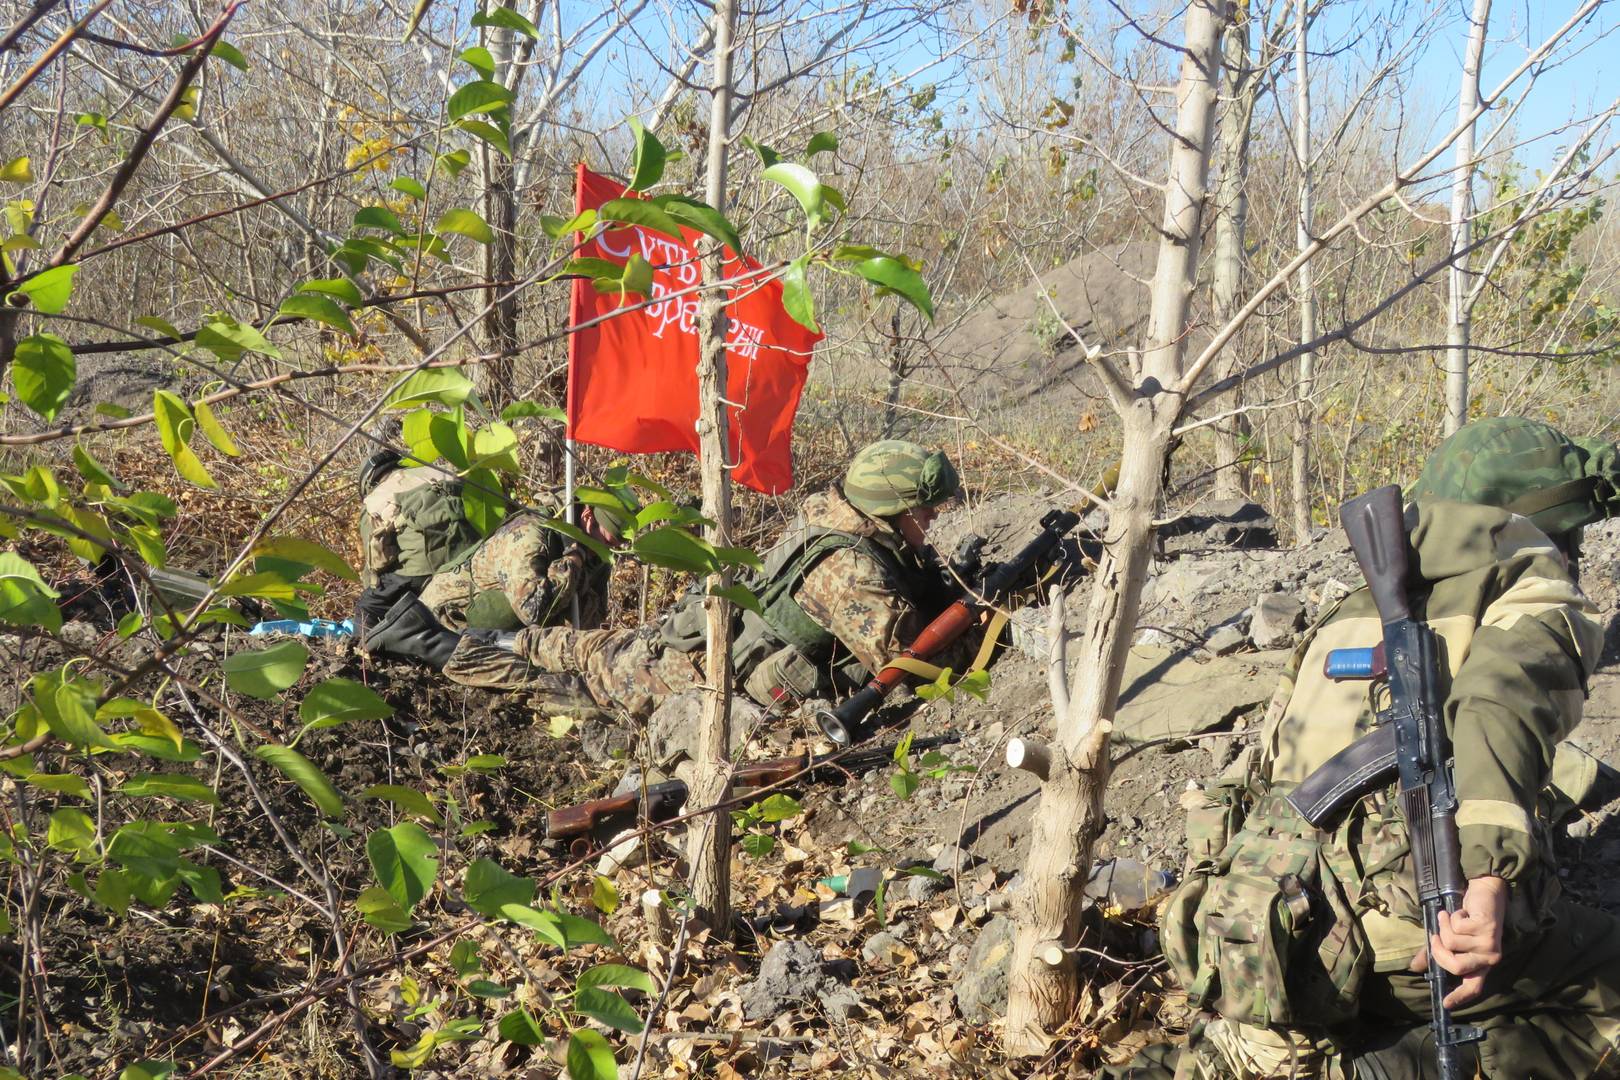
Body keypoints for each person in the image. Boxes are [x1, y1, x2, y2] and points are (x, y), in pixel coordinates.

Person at [1125, 418, 1620, 1079]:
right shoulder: (1529, 583)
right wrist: (1492, 876)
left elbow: (1274, 763)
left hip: (1273, 932)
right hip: (1410, 947)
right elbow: (1502, 701)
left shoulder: (1346, 613)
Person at [420, 439, 969, 723]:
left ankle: (511, 643)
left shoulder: (829, 519)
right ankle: (477, 653)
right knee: (575, 683)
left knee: (592, 649)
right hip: (683, 676)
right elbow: (918, 665)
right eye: (928, 509)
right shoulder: (849, 570)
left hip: (693, 645)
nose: (936, 519)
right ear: (892, 510)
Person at [355, 447, 613, 669]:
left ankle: (364, 653)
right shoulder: (436, 471)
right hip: (465, 557)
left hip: (423, 576)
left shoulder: (375, 498)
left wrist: (375, 592)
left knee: (370, 606)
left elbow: (376, 561)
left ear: (369, 480)